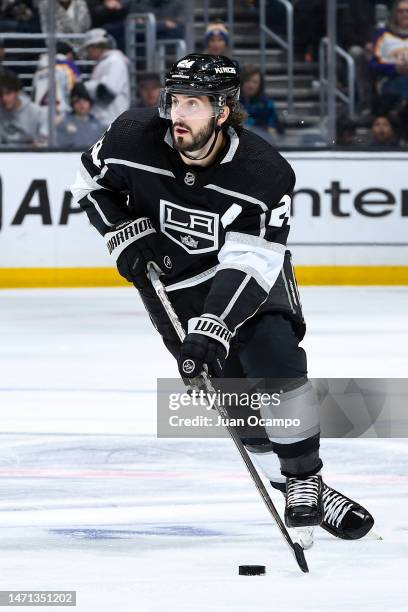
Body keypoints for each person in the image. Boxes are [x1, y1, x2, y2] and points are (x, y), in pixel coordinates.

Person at [71, 54, 374, 542]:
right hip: (173, 289)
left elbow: (252, 261)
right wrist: (122, 233)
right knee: (243, 417)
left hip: (249, 279)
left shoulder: (264, 173)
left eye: (193, 103)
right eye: (174, 100)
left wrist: (214, 325)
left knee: (275, 362)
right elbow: (89, 183)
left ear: (224, 111)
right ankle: (309, 491)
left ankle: (303, 478)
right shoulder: (131, 136)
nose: (177, 113)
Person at [82, 27, 130, 128]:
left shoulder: (114, 61)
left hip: (112, 122)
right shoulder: (105, 62)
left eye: (88, 49)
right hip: (104, 122)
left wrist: (84, 87)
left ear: (96, 46)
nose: (87, 53)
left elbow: (107, 93)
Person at [370, 0, 408, 100]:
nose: (405, 14)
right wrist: (395, 68)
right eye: (401, 11)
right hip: (390, 80)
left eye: (407, 11)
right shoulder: (383, 35)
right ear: (395, 14)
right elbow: (374, 65)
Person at [32, 42, 81, 116]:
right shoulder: (69, 67)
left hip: (39, 112)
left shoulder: (39, 69)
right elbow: (78, 88)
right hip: (61, 112)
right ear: (69, 54)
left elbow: (34, 93)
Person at [0, 71, 46, 145]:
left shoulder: (37, 112)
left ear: (18, 93)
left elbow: (45, 141)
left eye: (8, 93)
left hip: (29, 155)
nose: (4, 98)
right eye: (0, 94)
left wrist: (39, 145)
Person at [239, 64, 282, 143]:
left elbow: (272, 130)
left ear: (260, 85)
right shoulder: (232, 103)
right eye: (247, 81)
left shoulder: (266, 104)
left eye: (255, 82)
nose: (251, 85)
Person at [57, 82, 103, 148]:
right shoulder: (64, 122)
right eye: (77, 101)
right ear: (72, 104)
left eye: (85, 101)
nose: (82, 104)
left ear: (90, 103)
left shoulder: (97, 124)